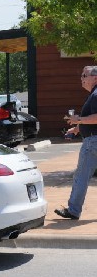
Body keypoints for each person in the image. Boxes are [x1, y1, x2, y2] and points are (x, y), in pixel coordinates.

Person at [55, 65, 97, 220]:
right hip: (92, 139)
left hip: (93, 142)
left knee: (81, 177)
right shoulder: (93, 95)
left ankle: (73, 210)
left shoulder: (96, 95)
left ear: (95, 78)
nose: (81, 79)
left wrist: (78, 119)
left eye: (84, 76)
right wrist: (77, 128)